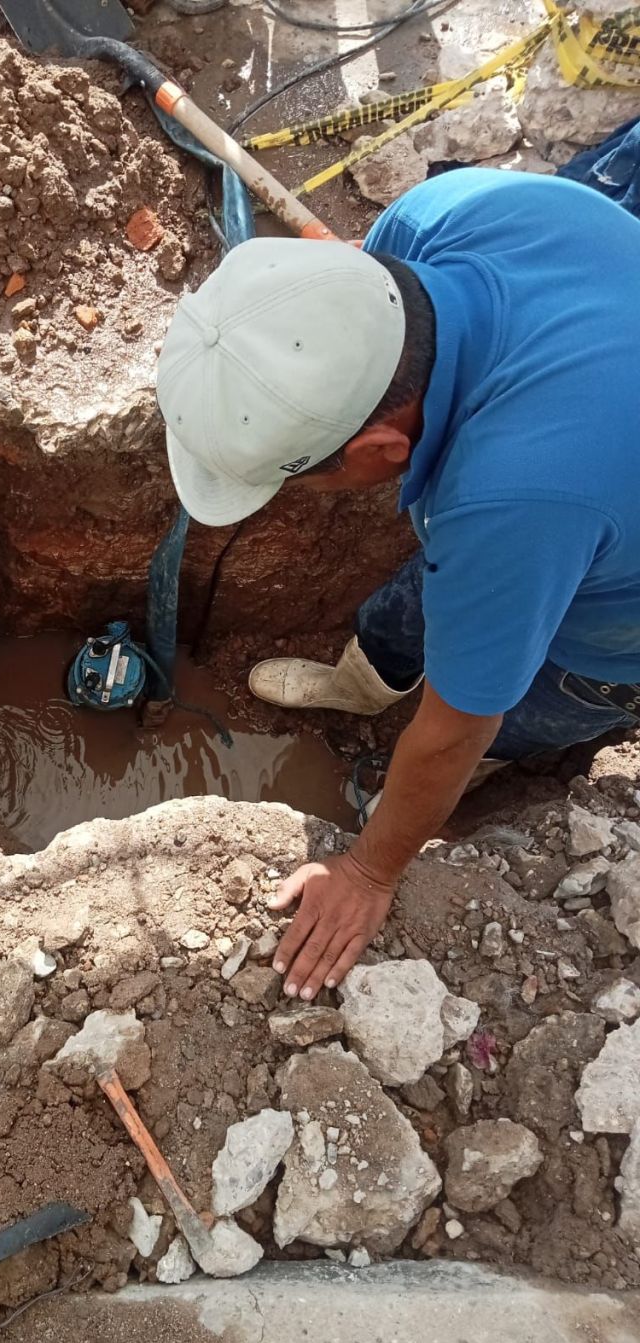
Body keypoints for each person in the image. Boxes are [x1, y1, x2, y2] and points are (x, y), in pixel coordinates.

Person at [155, 167, 640, 1003]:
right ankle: (360, 688)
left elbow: (459, 722)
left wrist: (369, 869)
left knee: (511, 713)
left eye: (294, 479)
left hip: (608, 629)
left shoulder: (509, 504)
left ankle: (453, 794)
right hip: (571, 480)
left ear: (382, 452)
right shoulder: (429, 224)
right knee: (413, 606)